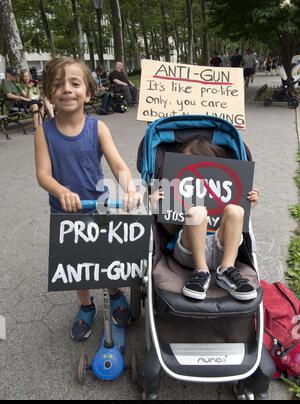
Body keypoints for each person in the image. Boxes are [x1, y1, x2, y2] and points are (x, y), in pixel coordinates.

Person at [34, 57, 141, 341]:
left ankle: (115, 293)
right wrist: (62, 192)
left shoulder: (98, 129)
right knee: (77, 264)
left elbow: (118, 165)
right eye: (58, 85)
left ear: (89, 92)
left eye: (74, 83)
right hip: (65, 212)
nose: (66, 89)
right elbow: (43, 174)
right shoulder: (44, 132)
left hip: (100, 206)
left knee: (106, 259)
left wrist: (129, 190)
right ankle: (85, 305)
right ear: (49, 94)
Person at [151, 139, 260, 302]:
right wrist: (156, 206)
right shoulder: (175, 191)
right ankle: (201, 270)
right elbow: (169, 230)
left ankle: (226, 269)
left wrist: (248, 201)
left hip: (224, 248)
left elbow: (238, 223)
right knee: (197, 212)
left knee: (236, 211)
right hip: (189, 251)